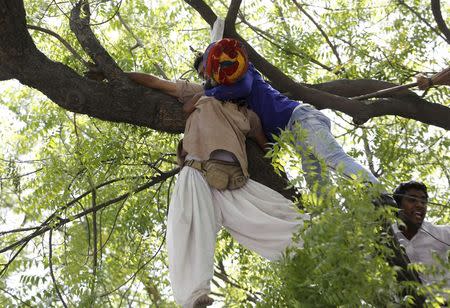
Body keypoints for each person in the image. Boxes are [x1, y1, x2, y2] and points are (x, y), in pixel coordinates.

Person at [126, 67, 308, 307]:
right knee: (185, 227)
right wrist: (115, 74)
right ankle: (194, 298)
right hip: (197, 170)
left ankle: (316, 243)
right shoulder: (201, 93)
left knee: (276, 214)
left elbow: (268, 152)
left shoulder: (248, 115)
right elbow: (155, 82)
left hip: (231, 180)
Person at [199, 39, 379, 190]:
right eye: (202, 77)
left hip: (301, 119)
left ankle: (380, 194)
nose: (206, 79)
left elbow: (243, 87)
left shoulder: (245, 71)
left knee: (332, 158)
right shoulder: (233, 101)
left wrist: (207, 92)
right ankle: (330, 227)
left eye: (205, 72)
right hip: (296, 138)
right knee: (319, 191)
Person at [393, 181, 450, 295]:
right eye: (412, 200)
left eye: (423, 201)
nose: (419, 205)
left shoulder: (441, 234)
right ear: (396, 206)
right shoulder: (387, 239)